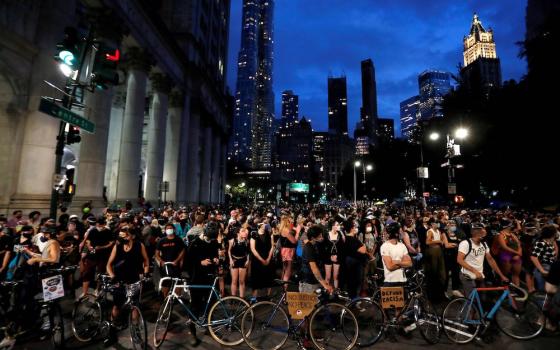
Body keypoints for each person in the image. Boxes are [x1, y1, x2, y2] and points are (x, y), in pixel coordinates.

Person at [106, 226, 149, 346]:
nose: (123, 238)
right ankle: (112, 331)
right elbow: (108, 265)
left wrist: (145, 273)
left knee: (135, 306)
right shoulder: (117, 246)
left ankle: (136, 331)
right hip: (119, 282)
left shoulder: (139, 246)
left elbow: (146, 261)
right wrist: (112, 276)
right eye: (121, 236)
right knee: (117, 307)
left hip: (134, 281)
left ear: (132, 236)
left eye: (126, 235)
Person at [457, 223, 509, 298]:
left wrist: (501, 276)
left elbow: (491, 260)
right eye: (483, 231)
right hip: (468, 276)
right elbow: (459, 260)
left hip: (480, 276)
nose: (485, 232)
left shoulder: (484, 244)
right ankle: (469, 309)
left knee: (483, 297)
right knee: (472, 301)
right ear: (476, 232)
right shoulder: (465, 243)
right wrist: (475, 271)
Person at [80, 217, 115, 297]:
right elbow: (88, 240)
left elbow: (111, 243)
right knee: (87, 273)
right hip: (92, 255)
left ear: (104, 224)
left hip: (103, 256)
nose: (99, 226)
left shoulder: (108, 232)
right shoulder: (92, 231)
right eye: (98, 224)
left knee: (100, 273)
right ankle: (84, 292)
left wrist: (102, 247)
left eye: (101, 225)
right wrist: (89, 246)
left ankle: (97, 290)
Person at [154, 224, 185, 298]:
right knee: (166, 282)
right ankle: (166, 299)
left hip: (175, 264)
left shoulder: (178, 240)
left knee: (178, 281)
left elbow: (183, 251)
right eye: (167, 228)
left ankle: (177, 298)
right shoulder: (161, 241)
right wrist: (161, 262)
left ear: (174, 229)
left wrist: (178, 260)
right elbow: (157, 254)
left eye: (170, 228)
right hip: (165, 266)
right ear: (165, 230)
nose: (169, 229)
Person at [300, 225, 332, 293]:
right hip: (309, 282)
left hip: (315, 280)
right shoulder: (308, 248)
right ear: (313, 238)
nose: (322, 238)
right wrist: (324, 284)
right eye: (319, 236)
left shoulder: (316, 245)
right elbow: (314, 268)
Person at [342, 220, 370, 298]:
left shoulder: (347, 239)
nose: (356, 228)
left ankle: (353, 299)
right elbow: (363, 250)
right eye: (354, 227)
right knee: (356, 282)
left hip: (351, 265)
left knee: (352, 283)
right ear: (351, 229)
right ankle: (355, 300)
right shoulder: (352, 239)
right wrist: (364, 245)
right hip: (355, 265)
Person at [250, 222, 274, 299]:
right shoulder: (254, 235)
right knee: (256, 279)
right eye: (264, 224)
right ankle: (254, 298)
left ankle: (268, 296)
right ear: (259, 225)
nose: (266, 225)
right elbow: (253, 249)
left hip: (268, 258)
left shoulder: (269, 234)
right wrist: (262, 260)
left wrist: (269, 258)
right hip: (257, 260)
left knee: (269, 277)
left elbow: (272, 246)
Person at [531, 225, 559, 292]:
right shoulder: (541, 243)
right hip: (544, 268)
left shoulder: (548, 242)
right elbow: (533, 257)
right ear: (552, 234)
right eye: (555, 232)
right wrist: (542, 270)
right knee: (543, 292)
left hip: (549, 267)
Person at [496, 220, 523, 287]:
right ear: (507, 226)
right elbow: (504, 247)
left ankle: (517, 290)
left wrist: (519, 253)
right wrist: (518, 253)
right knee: (505, 274)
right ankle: (504, 290)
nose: (512, 226)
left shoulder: (512, 234)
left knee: (516, 274)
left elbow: (519, 244)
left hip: (515, 255)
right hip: (505, 255)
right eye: (511, 224)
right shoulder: (501, 235)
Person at [425, 219, 447, 301]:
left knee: (440, 271)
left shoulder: (438, 231)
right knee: (434, 271)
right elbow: (427, 242)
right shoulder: (430, 231)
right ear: (431, 224)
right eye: (435, 223)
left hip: (439, 251)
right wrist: (438, 241)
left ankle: (440, 291)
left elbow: (442, 240)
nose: (437, 224)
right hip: (433, 251)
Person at [443, 220, 464, 298]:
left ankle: (455, 290)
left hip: (456, 255)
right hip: (447, 256)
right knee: (446, 274)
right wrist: (455, 244)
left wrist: (454, 244)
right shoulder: (444, 233)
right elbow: (446, 245)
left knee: (456, 273)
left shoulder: (456, 233)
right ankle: (444, 290)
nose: (453, 225)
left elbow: (461, 243)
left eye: (454, 224)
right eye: (451, 224)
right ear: (448, 225)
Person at [279, 215, 301, 286]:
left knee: (285, 268)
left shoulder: (282, 229)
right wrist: (297, 232)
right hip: (288, 251)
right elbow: (294, 241)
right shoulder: (286, 230)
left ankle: (282, 284)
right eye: (289, 221)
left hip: (285, 250)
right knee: (288, 269)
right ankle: (285, 287)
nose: (291, 222)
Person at [229, 226, 250, 297]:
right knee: (234, 281)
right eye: (243, 231)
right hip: (234, 260)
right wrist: (230, 260)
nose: (245, 233)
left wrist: (247, 260)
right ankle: (233, 297)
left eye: (244, 231)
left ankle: (242, 298)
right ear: (238, 233)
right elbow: (229, 251)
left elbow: (248, 252)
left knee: (241, 281)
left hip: (243, 261)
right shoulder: (233, 241)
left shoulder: (247, 241)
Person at [324, 219, 344, 289]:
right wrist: (330, 257)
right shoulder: (326, 235)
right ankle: (327, 291)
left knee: (336, 276)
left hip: (337, 257)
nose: (339, 226)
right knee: (328, 276)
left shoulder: (340, 235)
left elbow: (342, 248)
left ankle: (336, 292)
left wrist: (337, 256)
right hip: (327, 257)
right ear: (332, 226)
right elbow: (323, 248)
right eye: (337, 225)